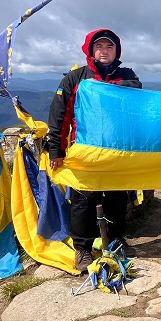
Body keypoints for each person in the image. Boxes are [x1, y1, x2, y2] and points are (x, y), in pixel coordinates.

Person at [47, 29, 142, 273]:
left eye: (109, 47)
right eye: (99, 47)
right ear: (91, 50)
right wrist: (56, 149)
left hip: (117, 149)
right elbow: (60, 115)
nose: (104, 51)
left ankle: (116, 239)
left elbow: (137, 98)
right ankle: (83, 249)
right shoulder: (75, 78)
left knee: (118, 196)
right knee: (84, 200)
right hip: (85, 150)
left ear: (116, 51)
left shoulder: (127, 76)